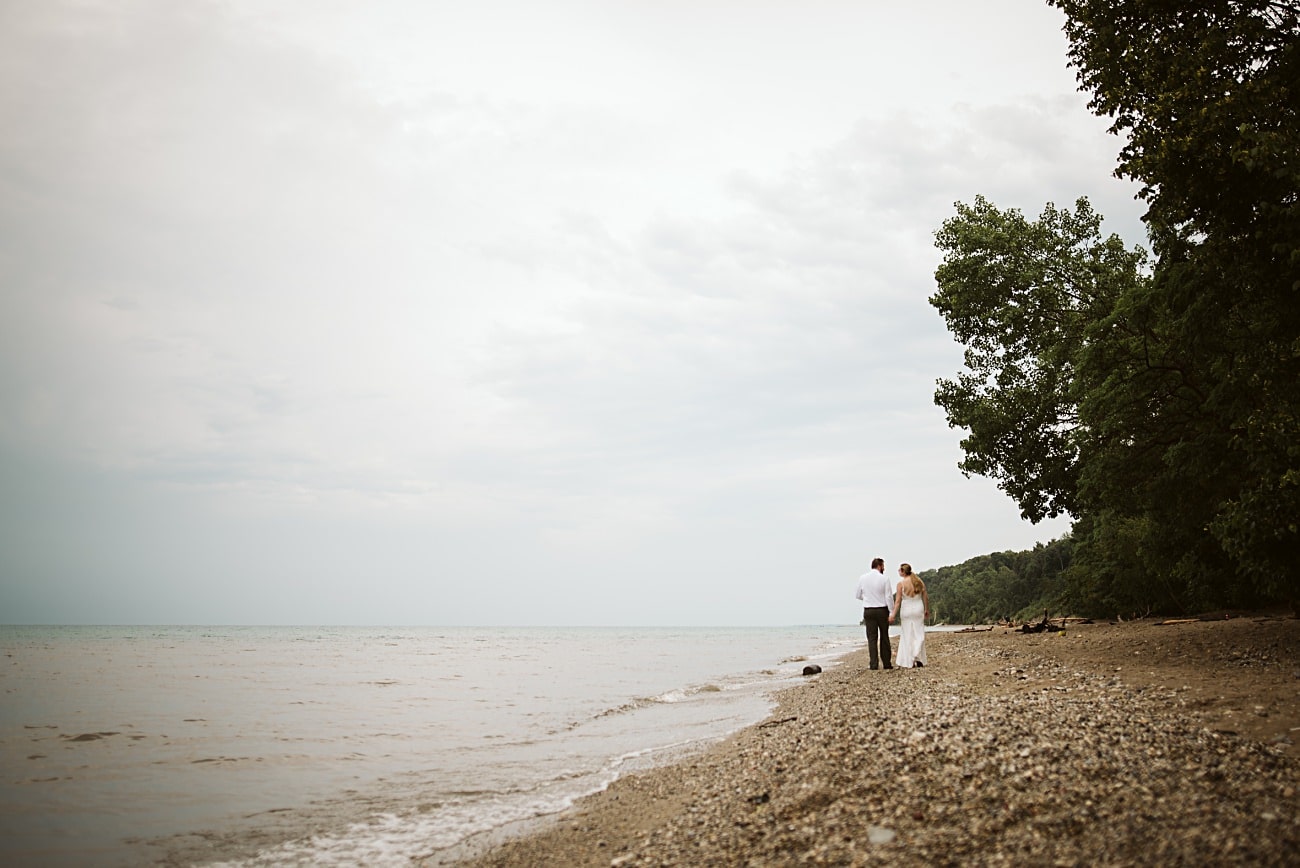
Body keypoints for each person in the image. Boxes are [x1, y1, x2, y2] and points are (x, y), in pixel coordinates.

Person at [854, 557, 893, 670]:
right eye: (883, 566)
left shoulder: (863, 578)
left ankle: (874, 664)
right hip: (882, 609)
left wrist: (867, 598)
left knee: (872, 638)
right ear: (879, 566)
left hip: (869, 609)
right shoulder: (884, 579)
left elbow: (857, 595)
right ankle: (886, 663)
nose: (884, 568)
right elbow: (888, 597)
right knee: (884, 636)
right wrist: (891, 611)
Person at [889, 563, 929, 668]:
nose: (898, 571)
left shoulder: (901, 584)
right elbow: (925, 597)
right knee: (918, 632)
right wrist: (926, 609)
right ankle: (917, 655)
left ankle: (909, 659)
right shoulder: (919, 582)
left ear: (903, 572)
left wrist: (893, 614)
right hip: (918, 608)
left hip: (906, 610)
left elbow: (897, 602)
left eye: (899, 570)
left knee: (907, 634)